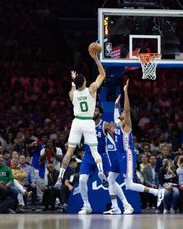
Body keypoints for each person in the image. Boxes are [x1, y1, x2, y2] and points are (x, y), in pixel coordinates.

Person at [105, 79, 164, 215]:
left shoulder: (127, 125)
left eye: (122, 114)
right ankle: (117, 207)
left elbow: (126, 109)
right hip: (119, 156)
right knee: (110, 179)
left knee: (130, 185)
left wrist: (125, 92)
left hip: (127, 155)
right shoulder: (118, 125)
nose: (120, 114)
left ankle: (156, 192)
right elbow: (117, 114)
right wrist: (115, 105)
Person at [56, 49, 107, 187]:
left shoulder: (72, 94)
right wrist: (96, 59)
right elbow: (102, 74)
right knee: (95, 151)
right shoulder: (91, 89)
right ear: (84, 82)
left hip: (77, 122)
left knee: (69, 152)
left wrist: (73, 81)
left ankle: (60, 177)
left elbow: (73, 88)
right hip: (88, 122)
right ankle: (101, 171)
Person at [78, 104, 133, 215]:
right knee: (82, 180)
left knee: (111, 181)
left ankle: (126, 205)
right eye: (92, 110)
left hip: (102, 155)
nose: (93, 112)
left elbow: (116, 135)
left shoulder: (105, 125)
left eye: (96, 110)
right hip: (88, 156)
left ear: (100, 113)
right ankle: (87, 206)